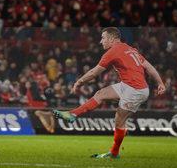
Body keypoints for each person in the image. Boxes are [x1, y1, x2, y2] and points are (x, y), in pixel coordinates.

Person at [52, 27, 165, 159]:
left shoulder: (113, 52)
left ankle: (114, 153)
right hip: (129, 85)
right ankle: (73, 114)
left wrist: (79, 82)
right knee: (101, 94)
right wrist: (160, 83)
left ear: (112, 38)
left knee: (119, 120)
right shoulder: (130, 49)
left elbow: (94, 72)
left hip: (135, 90)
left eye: (103, 38)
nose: (101, 41)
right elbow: (149, 66)